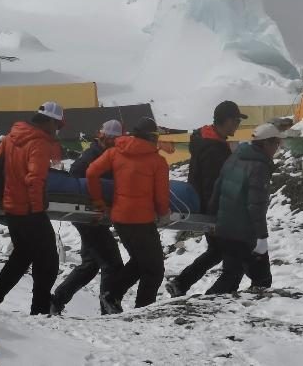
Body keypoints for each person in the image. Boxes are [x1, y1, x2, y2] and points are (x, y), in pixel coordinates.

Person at [0, 102, 64, 314]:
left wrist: (1, 195)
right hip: (30, 211)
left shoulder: (10, 138)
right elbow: (35, 179)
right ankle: (40, 310)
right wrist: (36, 209)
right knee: (48, 262)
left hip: (12, 210)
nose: (58, 130)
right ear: (50, 121)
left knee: (22, 256)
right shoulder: (39, 144)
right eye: (58, 125)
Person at [87, 116, 170, 312]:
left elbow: (91, 173)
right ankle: (140, 307)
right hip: (142, 220)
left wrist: (98, 201)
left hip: (121, 218)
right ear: (151, 136)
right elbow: (161, 194)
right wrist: (164, 213)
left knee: (140, 262)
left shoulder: (116, 152)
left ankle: (112, 296)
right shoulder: (157, 161)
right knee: (155, 270)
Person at [167, 100, 244, 297]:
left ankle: (181, 283)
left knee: (217, 251)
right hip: (214, 208)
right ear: (226, 120)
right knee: (233, 257)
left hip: (207, 205)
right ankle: (213, 297)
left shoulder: (209, 141)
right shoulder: (213, 148)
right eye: (236, 120)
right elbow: (212, 186)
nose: (238, 125)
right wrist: (217, 216)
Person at [50, 119, 125, 315]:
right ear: (104, 137)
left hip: (95, 215)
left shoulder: (106, 154)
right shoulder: (91, 156)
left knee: (91, 265)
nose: (115, 143)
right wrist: (95, 198)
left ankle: (56, 301)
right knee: (112, 263)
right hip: (87, 215)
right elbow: (75, 177)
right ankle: (107, 310)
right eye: (112, 139)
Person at [205, 123, 282, 295]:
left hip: (226, 226)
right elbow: (256, 205)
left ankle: (218, 310)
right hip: (243, 231)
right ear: (266, 143)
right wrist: (262, 237)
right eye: (277, 144)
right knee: (256, 278)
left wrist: (213, 218)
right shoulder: (259, 167)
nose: (277, 148)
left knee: (233, 274)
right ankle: (205, 307)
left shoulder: (235, 157)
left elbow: (218, 187)